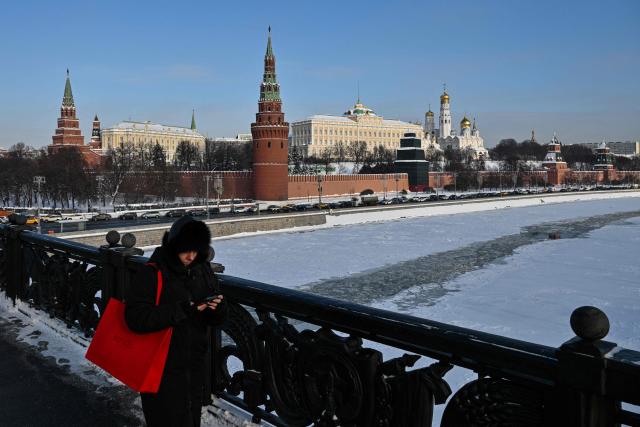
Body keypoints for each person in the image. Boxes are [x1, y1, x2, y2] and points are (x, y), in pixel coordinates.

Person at [125, 216, 227, 427]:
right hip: (161, 369)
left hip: (193, 365)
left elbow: (214, 309)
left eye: (196, 250)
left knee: (191, 418)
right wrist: (181, 310)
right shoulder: (153, 272)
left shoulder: (202, 269)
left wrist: (217, 309)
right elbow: (135, 318)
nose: (191, 256)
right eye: (185, 250)